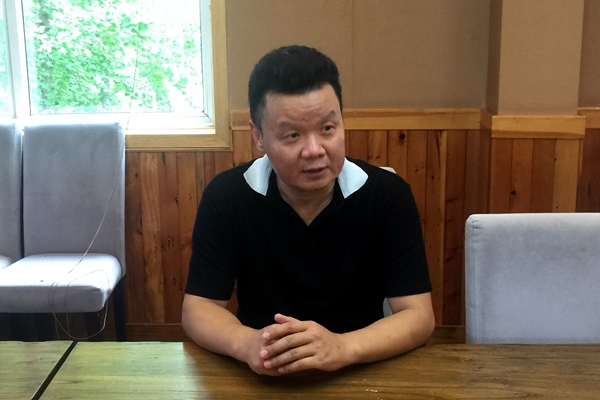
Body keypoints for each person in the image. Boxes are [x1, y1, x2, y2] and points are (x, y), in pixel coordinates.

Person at [182, 45, 435, 376]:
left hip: (362, 369)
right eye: (293, 135)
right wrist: (246, 344)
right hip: (261, 373)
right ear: (258, 135)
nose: (314, 150)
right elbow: (198, 307)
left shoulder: (388, 196)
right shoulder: (227, 196)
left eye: (327, 129)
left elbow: (418, 315)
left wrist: (343, 347)